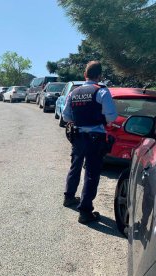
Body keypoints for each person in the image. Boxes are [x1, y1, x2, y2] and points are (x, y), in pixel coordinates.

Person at [62, 61, 118, 224]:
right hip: (95, 137)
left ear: (84, 75)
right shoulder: (101, 91)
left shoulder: (74, 92)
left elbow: (66, 117)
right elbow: (111, 117)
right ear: (99, 75)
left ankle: (69, 197)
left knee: (75, 166)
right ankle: (85, 212)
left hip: (78, 136)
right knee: (92, 173)